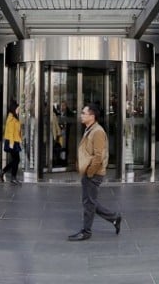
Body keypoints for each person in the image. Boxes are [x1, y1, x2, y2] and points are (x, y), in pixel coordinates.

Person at [67, 103, 122, 241]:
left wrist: (90, 172)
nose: (81, 115)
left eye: (84, 113)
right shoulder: (90, 129)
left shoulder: (97, 132)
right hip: (89, 172)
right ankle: (114, 218)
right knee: (89, 202)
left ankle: (86, 231)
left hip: (94, 173)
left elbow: (99, 156)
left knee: (89, 203)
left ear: (92, 116)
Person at [0, 100, 22, 184]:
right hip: (12, 142)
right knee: (16, 159)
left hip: (15, 141)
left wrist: (20, 139)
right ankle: (12, 177)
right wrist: (12, 143)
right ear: (14, 109)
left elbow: (17, 131)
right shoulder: (11, 118)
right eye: (18, 109)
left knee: (16, 160)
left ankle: (3, 172)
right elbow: (10, 132)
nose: (18, 110)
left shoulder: (14, 117)